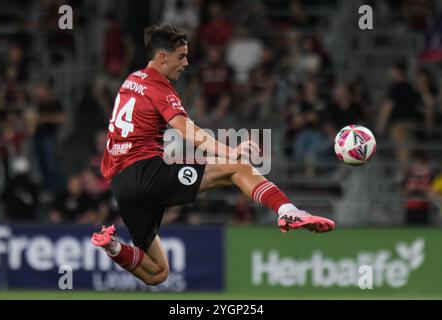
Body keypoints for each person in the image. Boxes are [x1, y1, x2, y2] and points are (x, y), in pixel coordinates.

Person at [91, 24, 335, 286]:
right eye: (181, 56)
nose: (186, 63)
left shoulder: (132, 79)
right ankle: (288, 210)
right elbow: (188, 131)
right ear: (162, 57)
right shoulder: (159, 87)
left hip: (121, 185)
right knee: (237, 166)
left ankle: (112, 246)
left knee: (157, 273)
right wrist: (232, 150)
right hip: (146, 172)